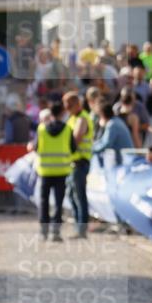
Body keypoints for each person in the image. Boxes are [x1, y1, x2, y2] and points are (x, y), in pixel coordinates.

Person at [31, 100, 75, 242]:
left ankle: (43, 231)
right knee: (59, 202)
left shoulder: (42, 129)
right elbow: (73, 148)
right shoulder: (68, 129)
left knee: (44, 201)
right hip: (61, 170)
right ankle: (56, 231)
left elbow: (36, 147)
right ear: (62, 114)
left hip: (45, 171)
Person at [63, 92, 93, 239]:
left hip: (80, 162)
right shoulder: (73, 118)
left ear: (77, 103)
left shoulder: (82, 119)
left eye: (69, 105)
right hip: (72, 163)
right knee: (71, 195)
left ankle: (81, 229)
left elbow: (76, 140)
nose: (66, 108)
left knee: (79, 196)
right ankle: (78, 227)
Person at [91, 102, 133, 167]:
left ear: (102, 114)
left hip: (125, 160)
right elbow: (103, 140)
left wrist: (91, 150)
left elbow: (107, 144)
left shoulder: (112, 125)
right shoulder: (115, 121)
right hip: (124, 158)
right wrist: (93, 146)